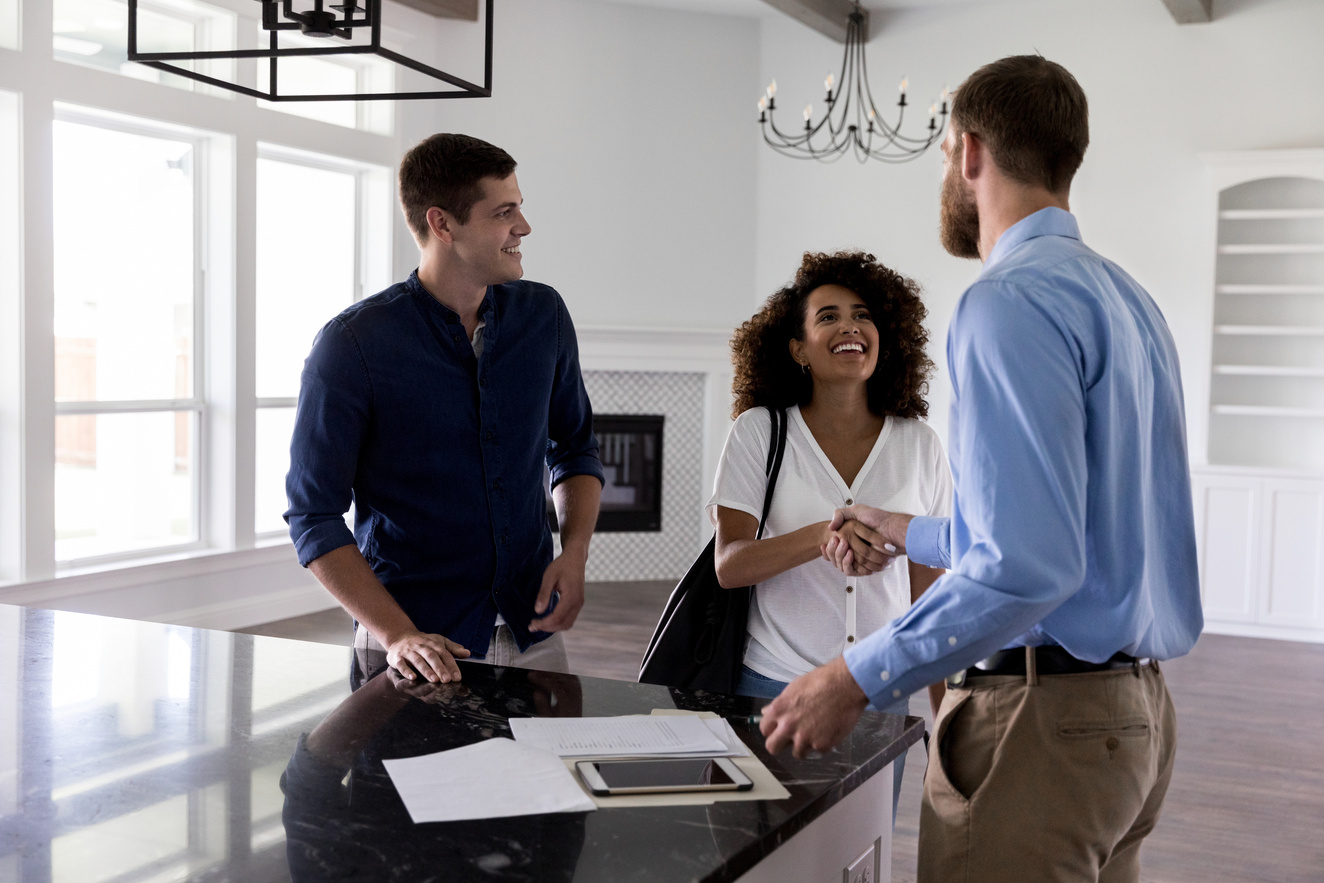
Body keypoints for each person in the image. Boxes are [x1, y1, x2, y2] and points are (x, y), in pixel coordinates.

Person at [758, 56, 1203, 882]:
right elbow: (1077, 530)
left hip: (1041, 732)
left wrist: (856, 674)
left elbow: (1029, 566)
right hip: (1135, 723)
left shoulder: (1007, 301)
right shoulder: (1130, 301)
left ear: (968, 152)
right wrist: (910, 530)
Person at [285, 133, 604, 687]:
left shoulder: (544, 315)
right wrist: (396, 635)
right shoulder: (352, 345)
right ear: (442, 224)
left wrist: (574, 553)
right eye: (504, 212)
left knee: (540, 778)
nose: (523, 227)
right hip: (416, 650)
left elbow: (574, 448)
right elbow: (312, 517)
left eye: (519, 208)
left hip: (536, 636)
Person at [709, 250, 951, 820]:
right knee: (769, 849)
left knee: (862, 851)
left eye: (863, 315)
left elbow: (931, 591)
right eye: (828, 316)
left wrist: (945, 719)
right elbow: (730, 564)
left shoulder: (920, 444)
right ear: (798, 349)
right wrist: (828, 533)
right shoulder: (758, 431)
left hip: (881, 688)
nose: (849, 326)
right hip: (775, 686)